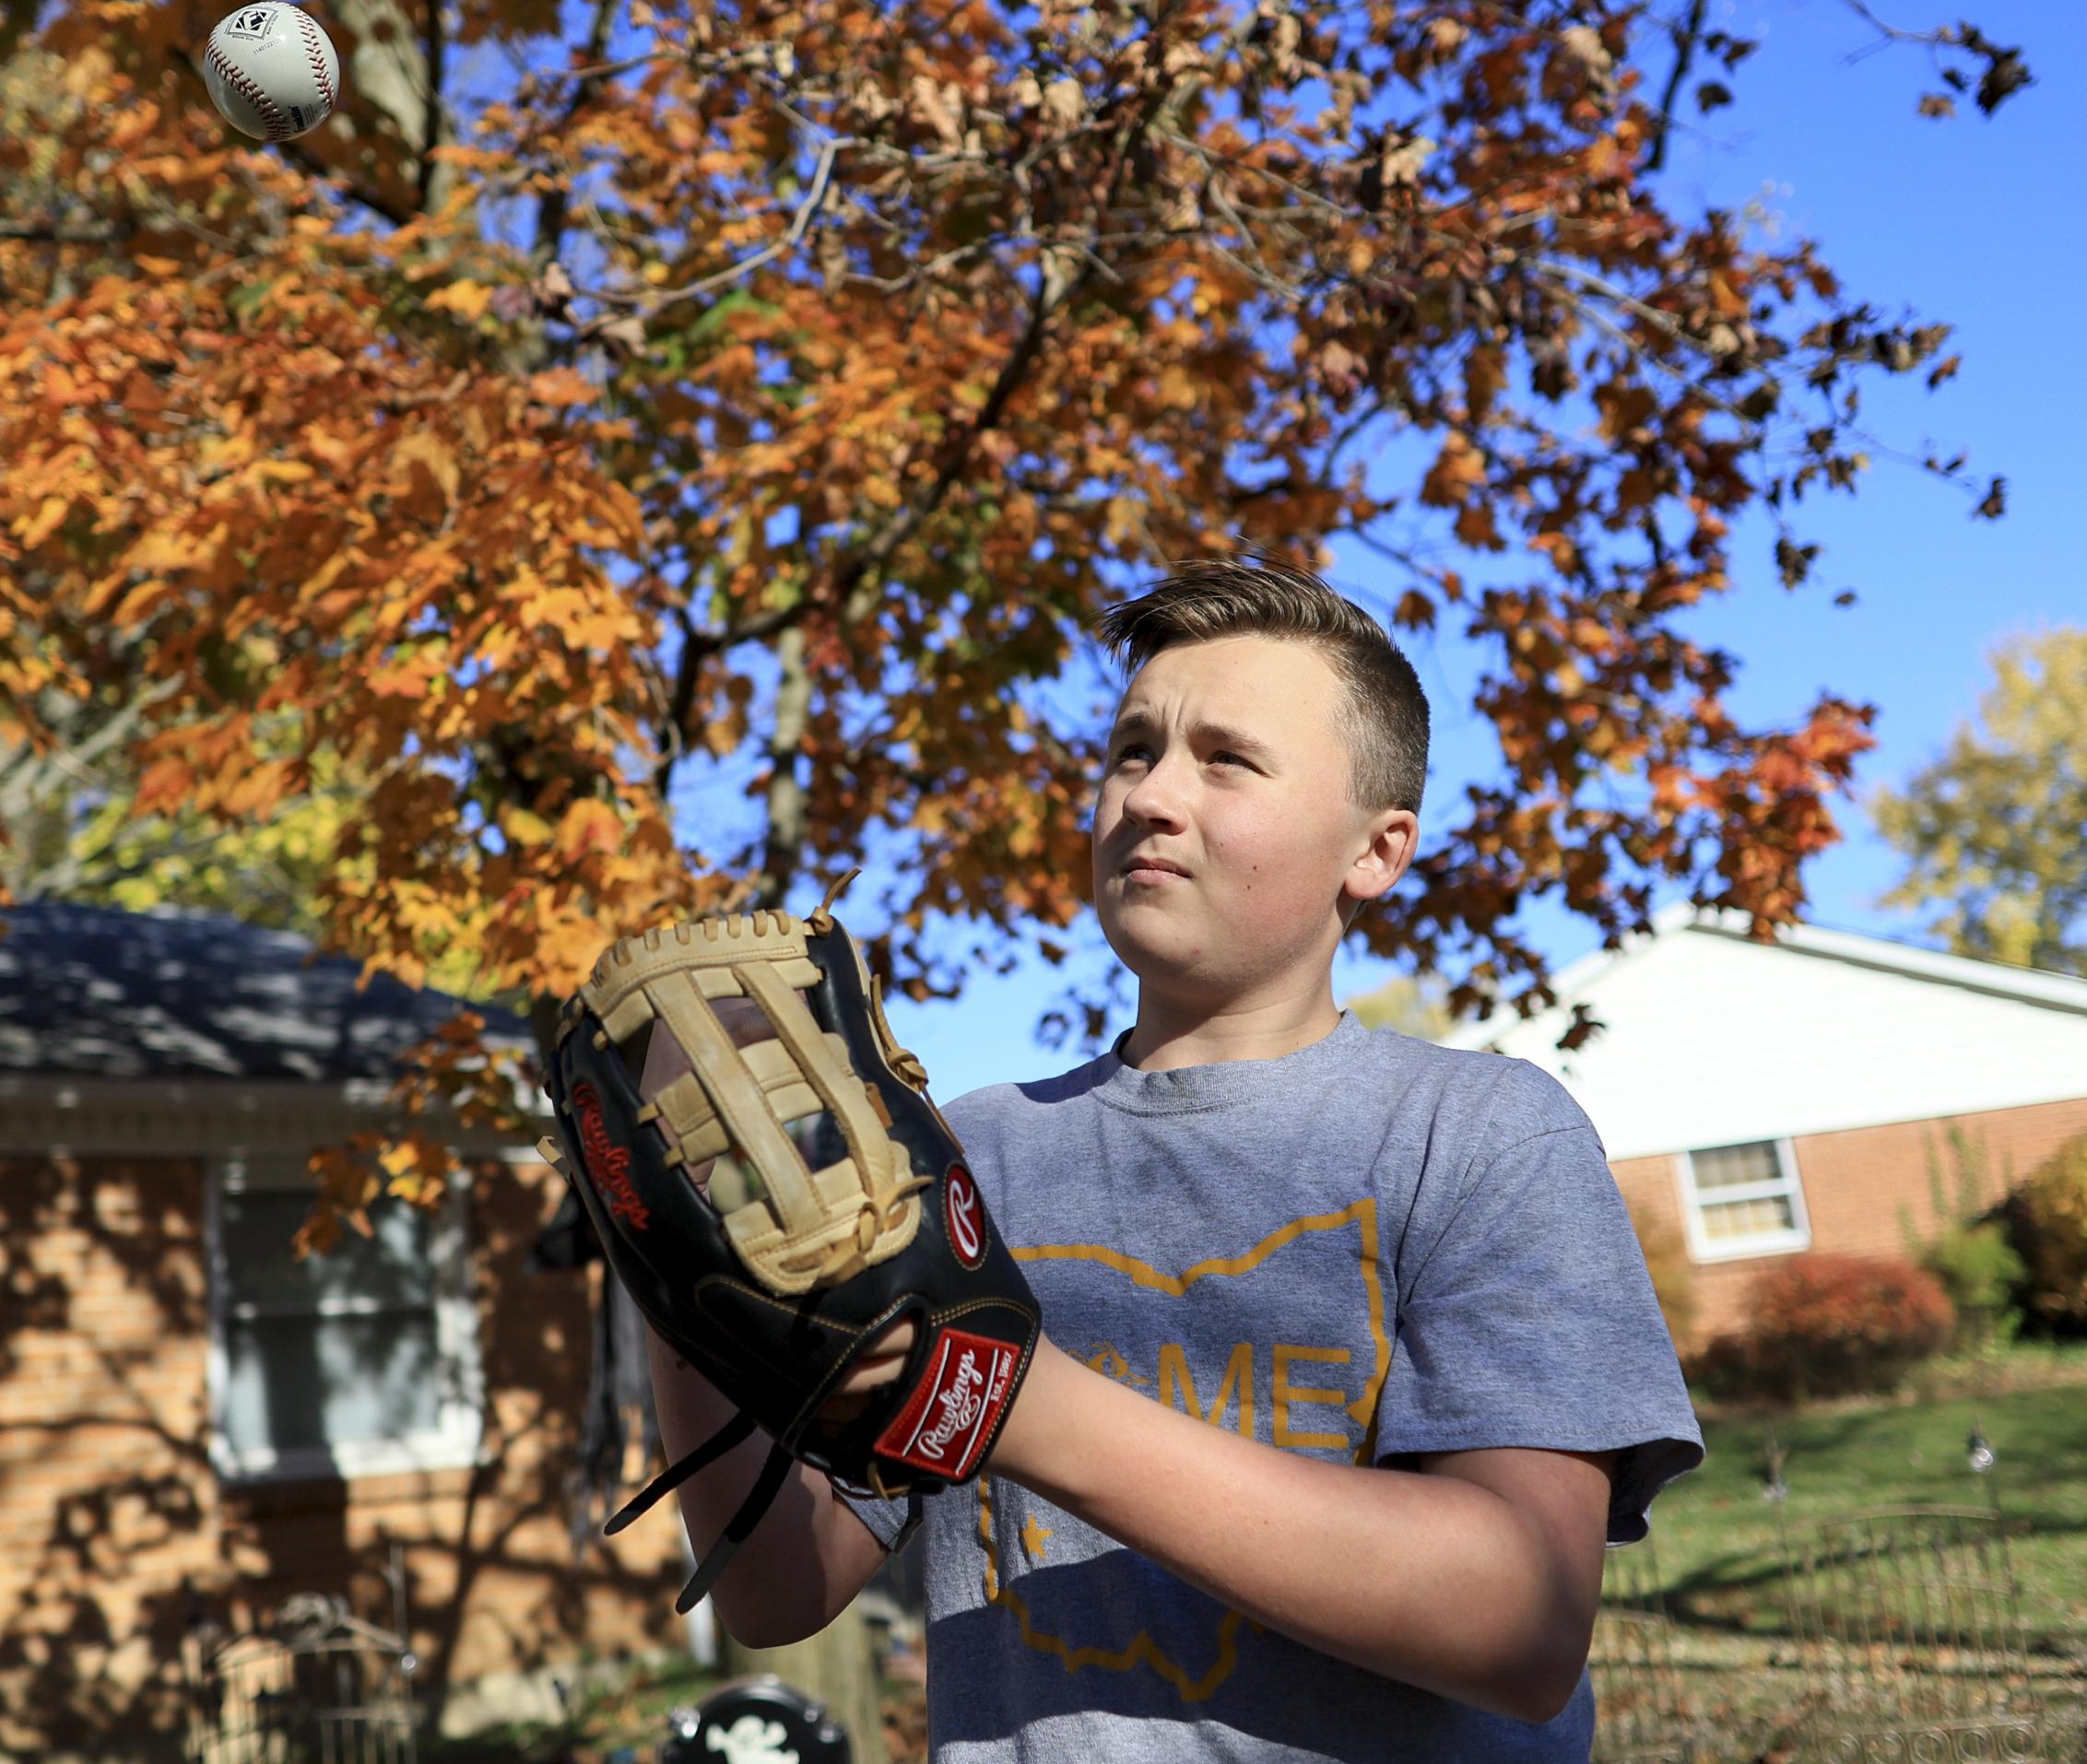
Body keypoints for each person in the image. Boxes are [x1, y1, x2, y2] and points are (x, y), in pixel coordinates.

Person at [638, 561, 1702, 1760]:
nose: (1151, 796)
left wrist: (1018, 1402)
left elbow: (1520, 1622)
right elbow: (781, 1590)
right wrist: (672, 1270)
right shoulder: (956, 1151)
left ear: (1377, 850)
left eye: (1228, 760)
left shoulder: (1479, 1132)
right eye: (1132, 750)